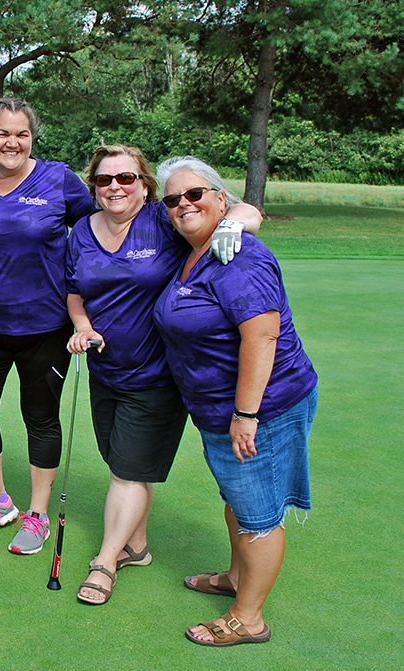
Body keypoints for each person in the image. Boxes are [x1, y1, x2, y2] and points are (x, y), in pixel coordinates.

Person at [66, 144, 262, 605]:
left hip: (157, 376)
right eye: (104, 180)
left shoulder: (163, 218)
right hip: (106, 372)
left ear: (145, 185)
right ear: (93, 187)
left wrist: (233, 223)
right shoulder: (81, 231)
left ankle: (106, 562)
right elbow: (75, 290)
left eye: (126, 178)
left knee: (128, 474)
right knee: (125, 464)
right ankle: (137, 546)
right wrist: (82, 326)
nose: (115, 186)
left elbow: (246, 210)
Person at [153, 155, 317, 646]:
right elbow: (246, 209)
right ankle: (236, 577)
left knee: (258, 515)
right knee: (237, 500)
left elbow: (261, 339)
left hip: (263, 408)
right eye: (173, 199)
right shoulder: (194, 248)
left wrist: (246, 414)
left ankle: (249, 618)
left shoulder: (238, 257)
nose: (183, 204)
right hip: (217, 409)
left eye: (195, 194)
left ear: (220, 199)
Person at [0, 98, 94, 555]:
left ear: (32, 138)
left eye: (21, 134)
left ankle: (37, 512)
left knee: (40, 418)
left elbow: (103, 226)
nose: (11, 143)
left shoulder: (58, 180)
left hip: (45, 327)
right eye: (2, 133)